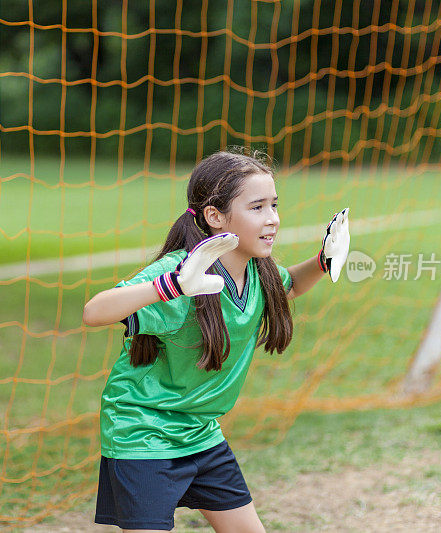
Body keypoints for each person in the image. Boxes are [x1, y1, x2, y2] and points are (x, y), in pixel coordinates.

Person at [83, 149, 350, 532]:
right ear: (215, 217)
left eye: (274, 205)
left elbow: (286, 288)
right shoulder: (181, 272)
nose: (272, 219)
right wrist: (170, 286)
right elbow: (94, 312)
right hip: (144, 433)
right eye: (257, 207)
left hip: (202, 433)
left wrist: (323, 262)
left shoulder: (259, 272)